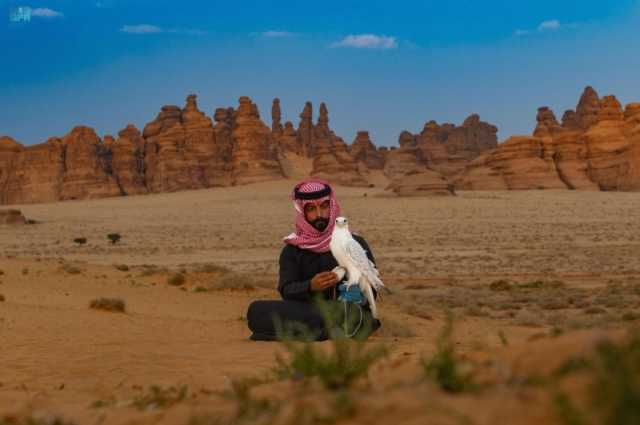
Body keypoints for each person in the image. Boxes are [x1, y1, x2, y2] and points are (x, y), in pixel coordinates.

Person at [246, 179, 381, 341]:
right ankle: (326, 332)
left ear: (331, 207)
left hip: (346, 311)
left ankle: (315, 332)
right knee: (257, 310)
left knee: (347, 313)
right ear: (303, 212)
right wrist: (310, 286)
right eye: (311, 209)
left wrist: (351, 291)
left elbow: (372, 288)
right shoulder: (292, 250)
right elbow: (286, 289)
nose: (319, 214)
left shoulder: (354, 243)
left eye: (324, 206)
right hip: (308, 311)